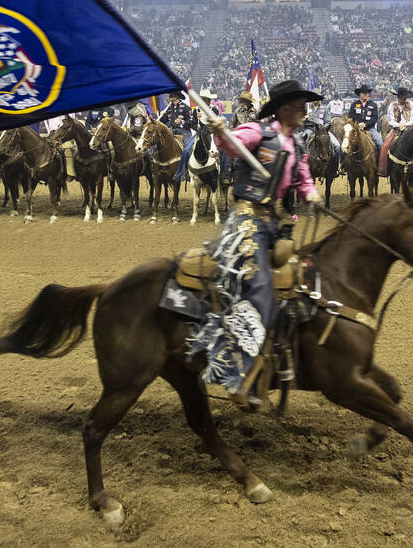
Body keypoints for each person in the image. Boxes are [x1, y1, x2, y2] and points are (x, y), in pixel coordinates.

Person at [199, 79, 323, 401]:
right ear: (285, 109)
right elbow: (231, 145)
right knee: (261, 289)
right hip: (246, 220)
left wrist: (310, 193)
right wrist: (219, 131)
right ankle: (242, 375)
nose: (304, 111)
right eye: (300, 106)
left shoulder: (297, 145)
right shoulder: (258, 132)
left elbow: (303, 179)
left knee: (301, 281)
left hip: (275, 224)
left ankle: (280, 354)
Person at [160, 90, 198, 182]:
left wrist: (182, 122)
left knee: (188, 151)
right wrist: (161, 116)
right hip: (172, 132)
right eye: (170, 95)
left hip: (184, 132)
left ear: (177, 96)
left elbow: (192, 123)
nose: (170, 97)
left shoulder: (186, 108)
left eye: (172, 95)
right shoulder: (169, 109)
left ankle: (188, 172)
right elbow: (163, 122)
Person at [380, 86, 413, 175]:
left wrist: (405, 125)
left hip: (409, 129)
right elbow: (390, 120)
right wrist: (398, 125)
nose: (404, 99)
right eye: (402, 97)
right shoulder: (392, 106)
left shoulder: (411, 104)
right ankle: (384, 169)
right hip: (396, 130)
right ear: (398, 97)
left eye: (405, 97)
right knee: (384, 146)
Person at [347, 84, 381, 151]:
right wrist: (358, 124)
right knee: (345, 143)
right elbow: (350, 116)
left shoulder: (373, 105)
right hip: (356, 128)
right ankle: (342, 161)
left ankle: (380, 161)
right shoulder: (354, 104)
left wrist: (365, 124)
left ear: (368, 94)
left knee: (380, 143)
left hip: (370, 128)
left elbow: (374, 118)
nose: (365, 94)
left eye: (366, 93)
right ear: (360, 94)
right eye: (363, 93)